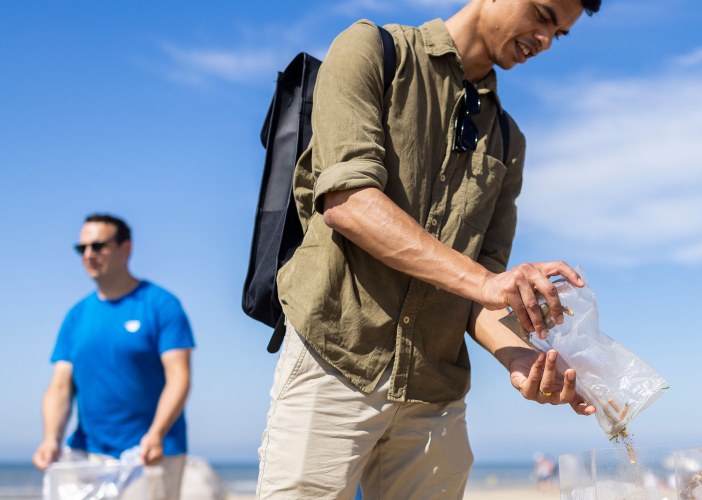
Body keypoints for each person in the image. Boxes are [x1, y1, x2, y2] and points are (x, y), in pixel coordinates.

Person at [255, 1, 602, 498]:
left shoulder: (508, 140)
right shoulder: (371, 50)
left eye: (560, 33)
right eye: (543, 14)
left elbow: (482, 292)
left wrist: (522, 359)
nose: (546, 40)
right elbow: (349, 203)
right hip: (334, 362)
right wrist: (487, 283)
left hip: (435, 395)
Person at [32, 214, 195, 500]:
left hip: (151, 453)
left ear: (125, 248)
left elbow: (179, 377)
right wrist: (51, 438)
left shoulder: (161, 305)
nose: (89, 254)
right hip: (86, 454)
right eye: (82, 248)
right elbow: (60, 386)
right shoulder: (76, 315)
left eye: (98, 246)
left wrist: (157, 433)